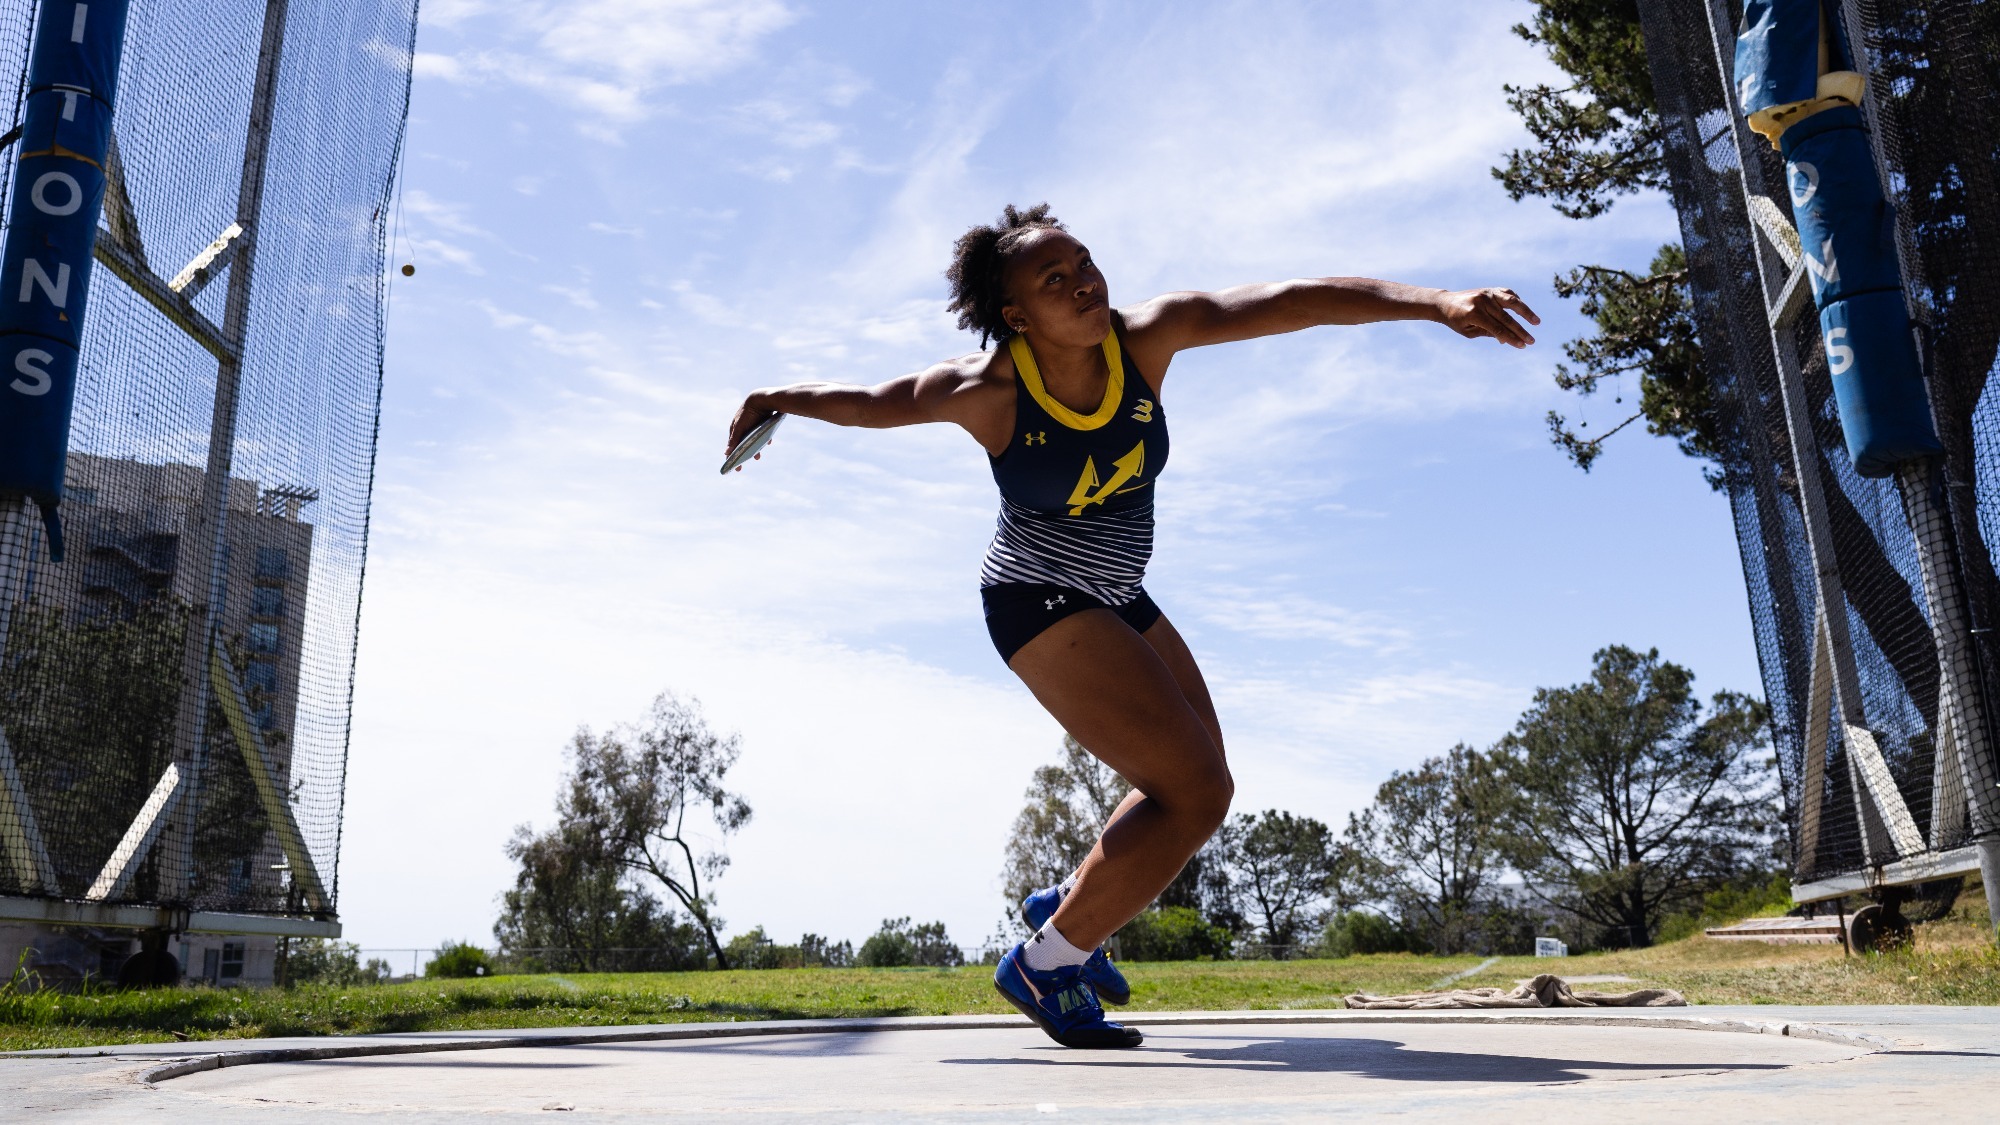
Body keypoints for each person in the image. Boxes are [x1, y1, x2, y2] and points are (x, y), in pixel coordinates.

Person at [724, 203, 1538, 1049]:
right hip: (1036, 595)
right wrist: (774, 397)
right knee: (1197, 792)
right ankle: (1047, 962)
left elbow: (1292, 300)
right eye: (1055, 279)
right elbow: (869, 402)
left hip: (1120, 592)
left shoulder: (1146, 338)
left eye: (1084, 262)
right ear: (1016, 315)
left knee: (1199, 779)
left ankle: (1068, 904)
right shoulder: (986, 392)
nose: (1084, 283)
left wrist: (1435, 302)